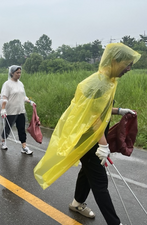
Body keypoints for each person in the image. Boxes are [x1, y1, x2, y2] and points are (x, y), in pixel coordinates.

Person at [33, 43, 141, 225]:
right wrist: (103, 144)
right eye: (127, 64)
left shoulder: (108, 81)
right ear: (115, 61)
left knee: (87, 172)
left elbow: (100, 110)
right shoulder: (95, 84)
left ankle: (77, 203)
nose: (129, 69)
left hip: (94, 138)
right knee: (100, 182)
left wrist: (120, 111)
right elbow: (91, 118)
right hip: (88, 139)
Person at [0, 65, 35, 155]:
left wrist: (29, 101)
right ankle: (3, 140)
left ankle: (24, 146)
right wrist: (3, 109)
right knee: (8, 127)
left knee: (21, 128)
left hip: (20, 110)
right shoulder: (7, 84)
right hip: (11, 110)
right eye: (17, 73)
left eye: (20, 72)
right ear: (12, 73)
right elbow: (4, 97)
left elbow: (23, 95)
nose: (19, 74)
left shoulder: (20, 83)